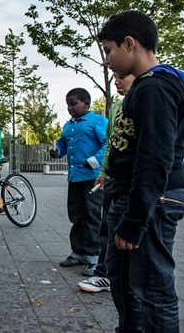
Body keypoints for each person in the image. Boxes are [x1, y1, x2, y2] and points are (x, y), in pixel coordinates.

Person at [98, 10, 184, 332]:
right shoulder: (144, 88)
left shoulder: (155, 89)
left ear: (130, 43)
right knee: (125, 281)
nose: (108, 61)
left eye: (109, 50)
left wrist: (135, 220)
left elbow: (154, 158)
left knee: (152, 289)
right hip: (133, 197)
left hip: (153, 201)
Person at [78, 72, 134, 293]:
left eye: (122, 77)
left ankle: (115, 273)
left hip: (134, 181)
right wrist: (103, 171)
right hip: (114, 178)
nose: (117, 81)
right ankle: (103, 273)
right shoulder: (115, 108)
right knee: (107, 226)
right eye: (115, 77)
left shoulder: (148, 99)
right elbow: (112, 144)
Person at [49, 88, 107, 276]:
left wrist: (94, 160)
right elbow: (63, 144)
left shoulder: (96, 121)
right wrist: (57, 151)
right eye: (68, 104)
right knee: (76, 215)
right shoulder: (69, 125)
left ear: (87, 103)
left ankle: (94, 258)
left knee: (92, 216)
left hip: (93, 178)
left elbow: (109, 143)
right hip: (75, 177)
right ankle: (78, 253)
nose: (70, 108)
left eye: (74, 104)